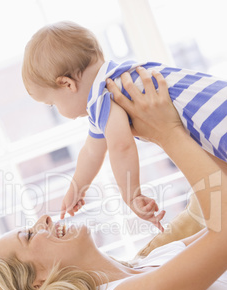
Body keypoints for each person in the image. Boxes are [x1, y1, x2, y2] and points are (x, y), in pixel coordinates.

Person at [0, 68, 227, 290]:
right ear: (37, 281)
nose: (45, 220)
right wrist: (167, 132)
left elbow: (219, 214)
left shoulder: (147, 263)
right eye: (29, 235)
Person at [21, 21, 227, 232]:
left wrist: (131, 195)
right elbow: (92, 151)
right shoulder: (121, 76)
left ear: (67, 84)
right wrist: (77, 188)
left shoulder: (103, 95)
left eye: (53, 104)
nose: (58, 110)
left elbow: (121, 146)